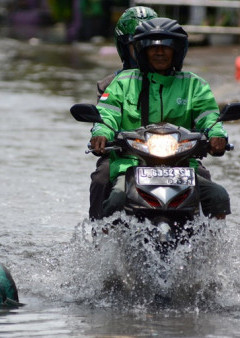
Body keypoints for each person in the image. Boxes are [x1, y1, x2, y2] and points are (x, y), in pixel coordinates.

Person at [90, 17, 231, 219]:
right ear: (142, 51)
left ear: (177, 50)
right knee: (117, 199)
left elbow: (208, 116)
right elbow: (107, 113)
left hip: (182, 165)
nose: (159, 51)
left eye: (166, 46)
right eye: (152, 46)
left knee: (218, 196)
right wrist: (102, 132)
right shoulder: (123, 82)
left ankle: (212, 246)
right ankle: (104, 241)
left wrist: (217, 135)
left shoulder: (194, 85)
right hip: (132, 163)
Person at [89, 6, 158, 220]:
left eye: (150, 46)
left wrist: (212, 135)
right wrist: (101, 134)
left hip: (175, 157)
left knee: (204, 179)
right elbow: (105, 116)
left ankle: (210, 238)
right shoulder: (111, 84)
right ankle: (100, 233)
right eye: (137, 46)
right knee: (101, 177)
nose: (144, 52)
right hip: (124, 155)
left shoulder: (184, 82)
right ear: (124, 47)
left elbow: (204, 113)